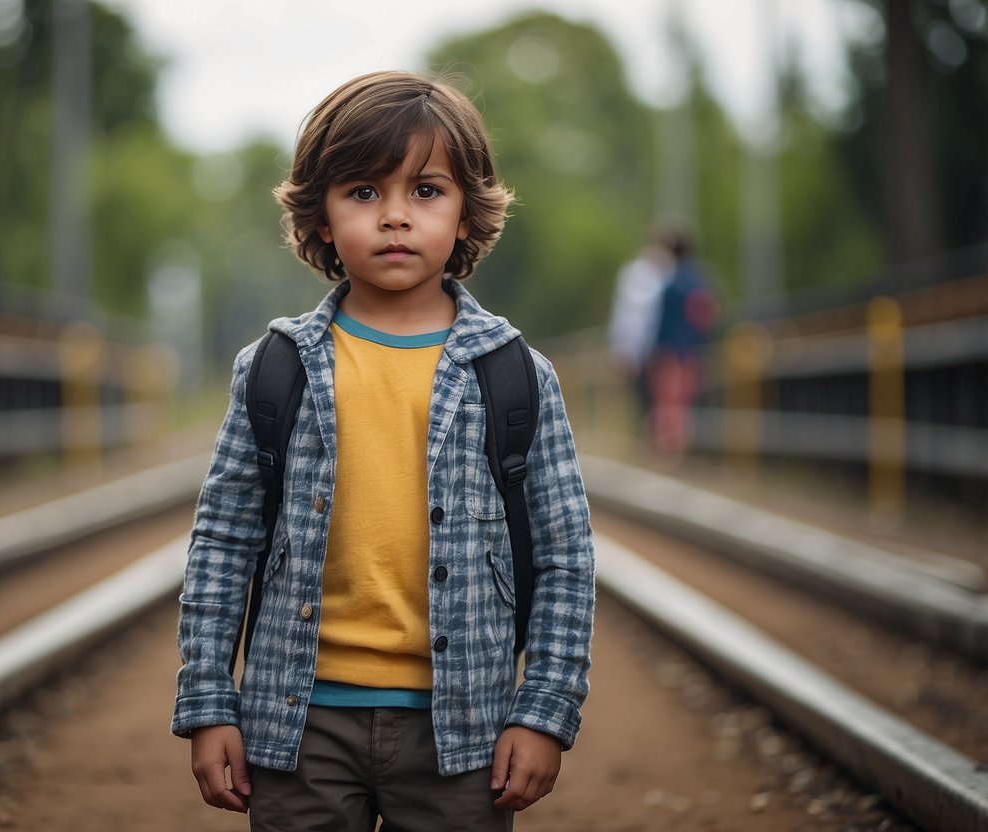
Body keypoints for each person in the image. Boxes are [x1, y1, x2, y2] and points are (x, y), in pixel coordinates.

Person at [171, 70, 595, 832]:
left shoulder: (515, 374)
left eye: (425, 191)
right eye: (363, 192)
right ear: (322, 217)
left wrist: (544, 711)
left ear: (466, 213)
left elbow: (565, 555)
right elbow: (223, 541)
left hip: (462, 730)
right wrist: (208, 702)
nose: (395, 216)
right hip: (295, 724)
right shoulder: (275, 369)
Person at [647, 229, 719, 459]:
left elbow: (661, 323)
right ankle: (681, 446)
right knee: (684, 402)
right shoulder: (701, 280)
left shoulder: (668, 285)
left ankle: (668, 447)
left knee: (667, 400)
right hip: (692, 352)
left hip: (669, 352)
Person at [606, 237, 672, 425]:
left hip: (640, 349)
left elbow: (625, 316)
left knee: (645, 398)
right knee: (648, 398)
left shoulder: (634, 276)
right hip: (649, 350)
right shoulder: (656, 278)